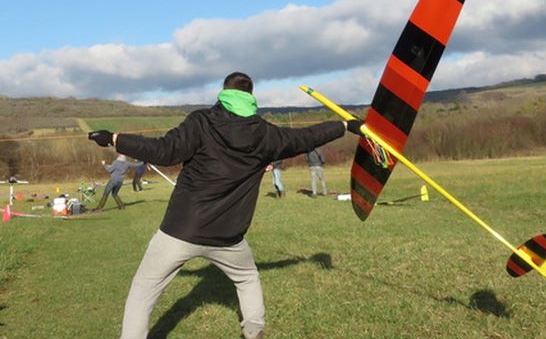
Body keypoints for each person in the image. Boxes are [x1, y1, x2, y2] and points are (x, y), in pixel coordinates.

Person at [88, 72, 361, 339]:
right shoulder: (265, 134)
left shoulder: (201, 121)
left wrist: (115, 139)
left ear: (223, 93)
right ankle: (254, 328)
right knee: (247, 278)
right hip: (228, 235)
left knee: (144, 288)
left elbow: (164, 150)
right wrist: (343, 126)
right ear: (250, 97)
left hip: (181, 229)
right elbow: (305, 138)